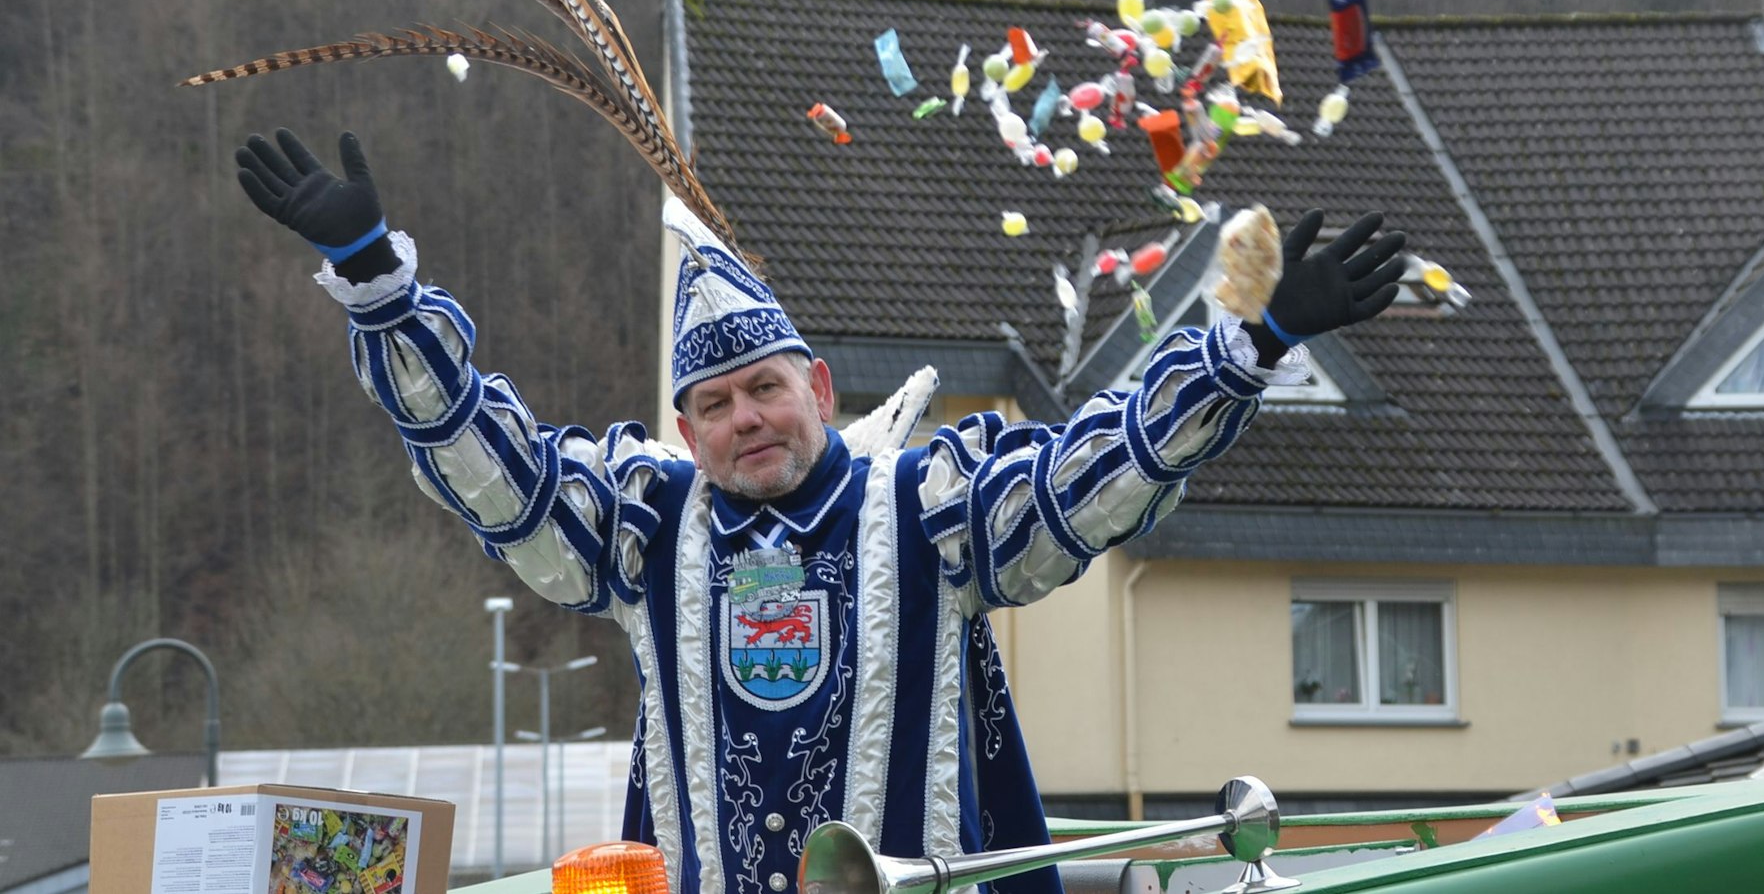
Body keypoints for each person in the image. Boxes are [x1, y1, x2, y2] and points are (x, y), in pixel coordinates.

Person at [236, 126, 1407, 894]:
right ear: (684, 432)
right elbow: (492, 468)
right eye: (715, 404)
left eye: (765, 390)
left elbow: (1085, 482)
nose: (745, 419)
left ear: (819, 391)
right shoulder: (645, 525)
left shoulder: (928, 505)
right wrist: (381, 289)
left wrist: (1250, 346)